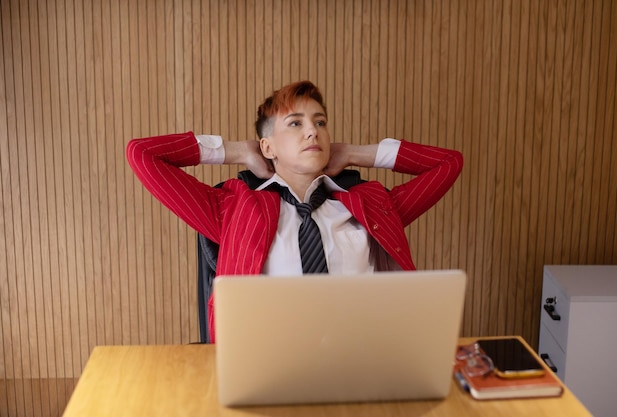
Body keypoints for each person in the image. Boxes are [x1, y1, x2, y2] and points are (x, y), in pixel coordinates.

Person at [126, 80, 463, 342]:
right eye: (295, 123)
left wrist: (359, 153)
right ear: (268, 146)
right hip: (268, 369)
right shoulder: (234, 209)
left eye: (320, 122)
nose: (313, 130)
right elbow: (142, 154)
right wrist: (234, 152)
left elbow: (449, 163)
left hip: (365, 363)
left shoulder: (372, 205)